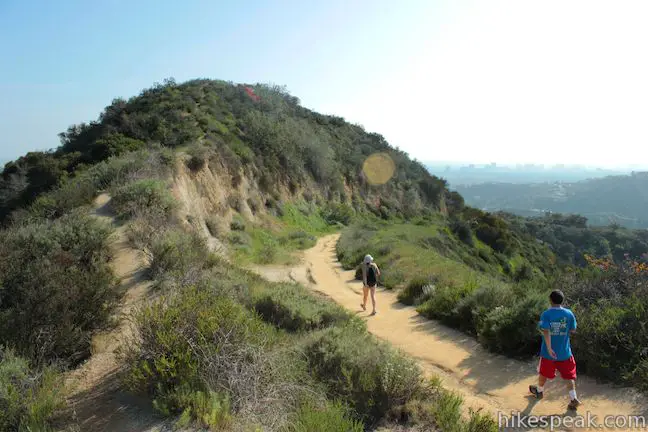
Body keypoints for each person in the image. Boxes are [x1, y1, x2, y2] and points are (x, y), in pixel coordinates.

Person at [529, 289, 581, 411]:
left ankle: (539, 391)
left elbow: (546, 331)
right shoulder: (569, 314)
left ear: (550, 300)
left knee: (543, 373)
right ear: (562, 300)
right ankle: (573, 399)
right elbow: (573, 330)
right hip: (565, 352)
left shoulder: (546, 314)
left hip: (548, 353)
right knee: (569, 376)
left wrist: (549, 348)